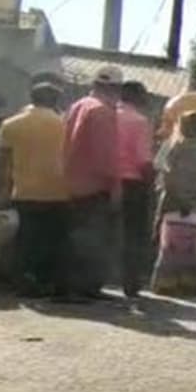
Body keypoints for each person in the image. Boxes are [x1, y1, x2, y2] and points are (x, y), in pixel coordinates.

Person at [0, 83, 69, 299]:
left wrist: (2, 189)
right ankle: (47, 282)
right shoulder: (65, 124)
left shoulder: (11, 124)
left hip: (24, 191)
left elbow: (2, 160)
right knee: (52, 240)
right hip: (59, 191)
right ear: (55, 101)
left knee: (26, 240)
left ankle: (24, 282)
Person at [63, 65, 122, 300]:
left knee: (77, 237)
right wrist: (115, 186)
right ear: (115, 88)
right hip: (95, 185)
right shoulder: (102, 112)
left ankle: (77, 287)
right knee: (92, 239)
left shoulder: (78, 106)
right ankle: (83, 288)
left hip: (73, 181)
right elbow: (104, 156)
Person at [151, 112, 196, 295]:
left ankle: (175, 284)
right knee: (181, 244)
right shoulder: (183, 147)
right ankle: (176, 284)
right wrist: (185, 200)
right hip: (186, 204)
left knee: (178, 245)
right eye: (193, 125)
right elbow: (171, 175)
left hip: (183, 203)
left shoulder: (186, 147)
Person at [115, 81, 155, 298]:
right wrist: (151, 182)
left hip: (105, 181)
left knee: (107, 231)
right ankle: (130, 282)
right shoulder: (139, 121)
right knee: (134, 235)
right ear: (138, 97)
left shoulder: (107, 115)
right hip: (132, 184)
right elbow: (143, 160)